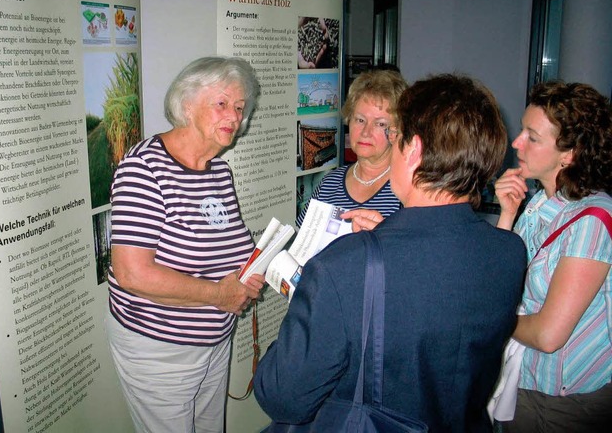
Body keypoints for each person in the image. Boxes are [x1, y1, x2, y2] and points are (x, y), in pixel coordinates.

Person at [255, 74, 527, 432]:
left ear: (412, 150)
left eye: (394, 136)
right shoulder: (509, 251)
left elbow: (282, 397)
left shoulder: (344, 266)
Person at [106, 56, 266, 433]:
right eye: (222, 103)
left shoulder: (220, 172)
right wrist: (218, 295)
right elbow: (132, 274)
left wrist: (257, 272)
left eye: (240, 108)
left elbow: (233, 248)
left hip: (214, 341)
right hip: (160, 348)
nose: (234, 116)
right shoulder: (144, 169)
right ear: (186, 103)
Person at [494, 81, 612, 432]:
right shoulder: (541, 202)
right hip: (523, 379)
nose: (516, 142)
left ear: (569, 153)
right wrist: (506, 214)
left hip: (564, 401)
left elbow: (548, 335)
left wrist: (491, 319)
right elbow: (501, 280)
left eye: (532, 136)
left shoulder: (592, 220)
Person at [296, 68, 408, 226]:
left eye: (380, 124)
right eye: (360, 120)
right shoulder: (329, 183)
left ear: (397, 130)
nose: (366, 132)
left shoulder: (408, 190)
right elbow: (302, 244)